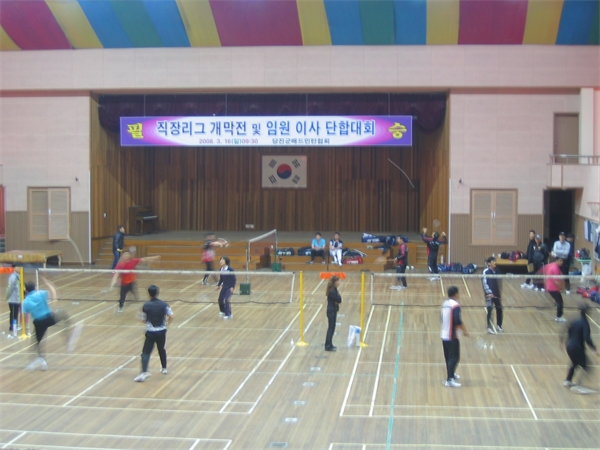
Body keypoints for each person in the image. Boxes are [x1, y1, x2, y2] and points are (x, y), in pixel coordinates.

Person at [21, 279, 69, 370]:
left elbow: (24, 315)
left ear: (26, 290)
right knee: (63, 315)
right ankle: (67, 335)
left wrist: (26, 327)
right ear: (35, 287)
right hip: (48, 318)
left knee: (37, 342)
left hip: (38, 323)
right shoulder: (41, 293)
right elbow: (53, 292)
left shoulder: (26, 301)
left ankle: (42, 362)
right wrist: (49, 283)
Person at [134, 285, 174, 382]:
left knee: (146, 352)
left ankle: (144, 372)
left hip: (151, 332)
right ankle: (164, 368)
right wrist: (167, 325)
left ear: (149, 294)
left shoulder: (146, 305)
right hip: (162, 331)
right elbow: (171, 316)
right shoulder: (164, 304)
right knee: (161, 349)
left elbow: (144, 320)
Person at [562, 303, 598, 393]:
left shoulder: (575, 321)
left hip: (569, 346)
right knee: (585, 366)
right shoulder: (585, 323)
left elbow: (567, 330)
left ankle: (568, 380)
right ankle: (578, 385)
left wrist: (563, 342)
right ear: (588, 312)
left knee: (575, 363)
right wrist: (594, 349)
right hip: (577, 348)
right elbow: (587, 338)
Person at [441, 286, 469, 388]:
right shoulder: (455, 305)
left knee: (448, 357)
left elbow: (442, 318)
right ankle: (449, 380)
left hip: (443, 335)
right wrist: (464, 331)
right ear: (456, 294)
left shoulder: (444, 304)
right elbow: (457, 320)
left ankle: (451, 374)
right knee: (454, 358)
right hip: (452, 336)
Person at [482, 256, 503, 334]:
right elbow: (484, 283)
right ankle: (489, 327)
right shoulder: (485, 272)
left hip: (496, 294)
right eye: (493, 261)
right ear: (489, 263)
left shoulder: (497, 271)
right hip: (489, 295)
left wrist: (499, 293)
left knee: (499, 309)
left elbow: (499, 282)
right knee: (490, 309)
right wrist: (489, 293)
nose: (495, 263)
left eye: (495, 261)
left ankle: (499, 325)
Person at [543, 257, 566, 322]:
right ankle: (559, 317)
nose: (561, 262)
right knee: (560, 302)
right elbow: (555, 281)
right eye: (560, 261)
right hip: (553, 288)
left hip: (550, 287)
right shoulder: (555, 268)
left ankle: (559, 316)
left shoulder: (552, 265)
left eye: (562, 261)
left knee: (559, 301)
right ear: (556, 260)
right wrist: (561, 288)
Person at [325, 275, 342, 351]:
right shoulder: (333, 291)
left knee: (331, 328)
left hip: (332, 311)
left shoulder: (333, 289)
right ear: (334, 282)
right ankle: (328, 345)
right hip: (331, 311)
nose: (339, 282)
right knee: (331, 328)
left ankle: (330, 344)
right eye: (338, 281)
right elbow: (339, 299)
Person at [6, 265, 21, 335]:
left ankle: (15, 326)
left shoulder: (18, 276)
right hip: (12, 299)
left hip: (17, 299)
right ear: (14, 268)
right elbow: (10, 288)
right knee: (13, 313)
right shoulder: (13, 277)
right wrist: (7, 297)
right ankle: (12, 327)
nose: (20, 268)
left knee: (16, 312)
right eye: (18, 267)